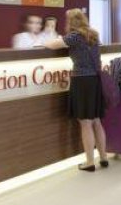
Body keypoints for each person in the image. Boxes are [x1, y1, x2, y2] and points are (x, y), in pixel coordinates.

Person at [44, 9, 108, 172]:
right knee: (96, 121)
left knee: (85, 123)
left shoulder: (74, 37)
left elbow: (51, 45)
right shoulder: (93, 34)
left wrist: (50, 38)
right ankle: (104, 158)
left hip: (82, 81)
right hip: (95, 80)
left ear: (71, 22)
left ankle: (89, 162)